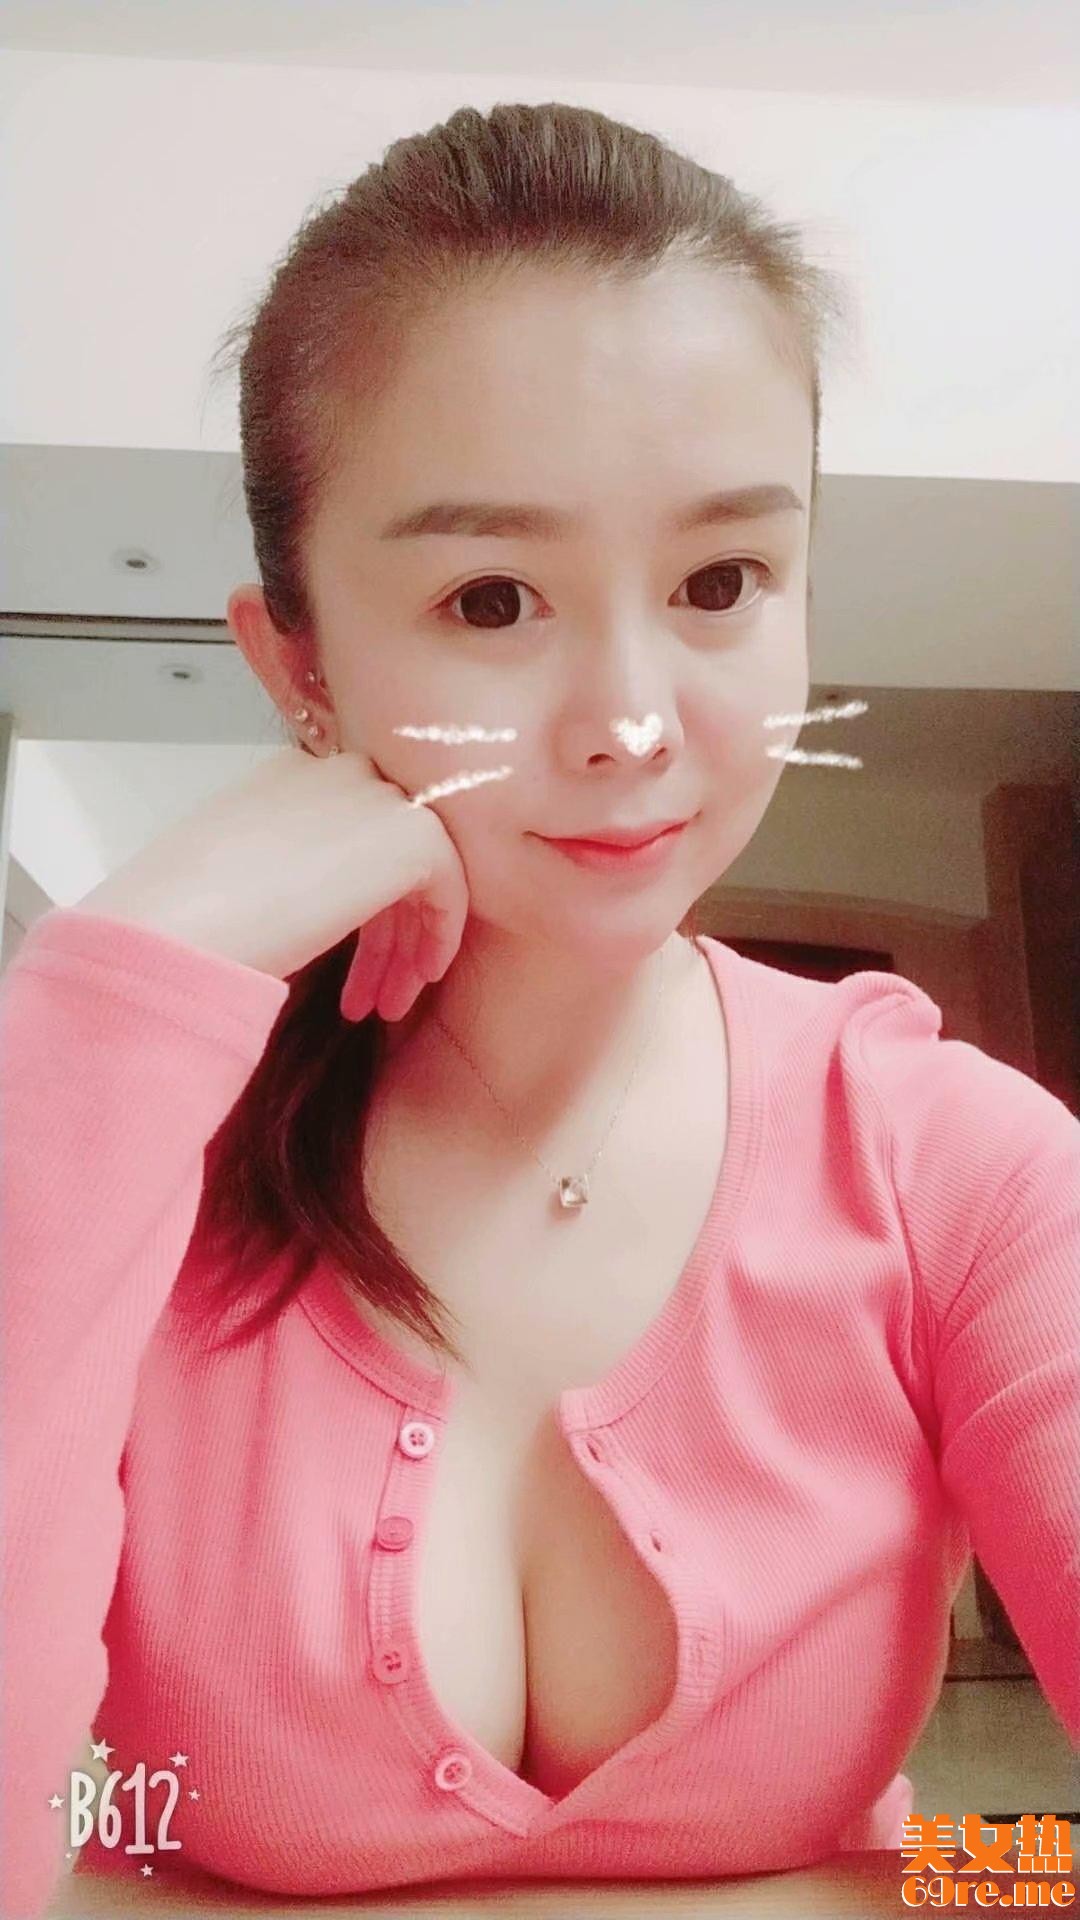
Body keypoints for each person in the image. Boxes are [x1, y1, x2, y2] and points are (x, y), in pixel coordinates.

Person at [3, 101, 1077, 1919]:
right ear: (297, 663)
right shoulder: (127, 1157)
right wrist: (102, 997)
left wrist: (900, 1882)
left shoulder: (952, 1167)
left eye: (722, 582)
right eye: (492, 599)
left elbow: (1039, 1866)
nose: (632, 722)